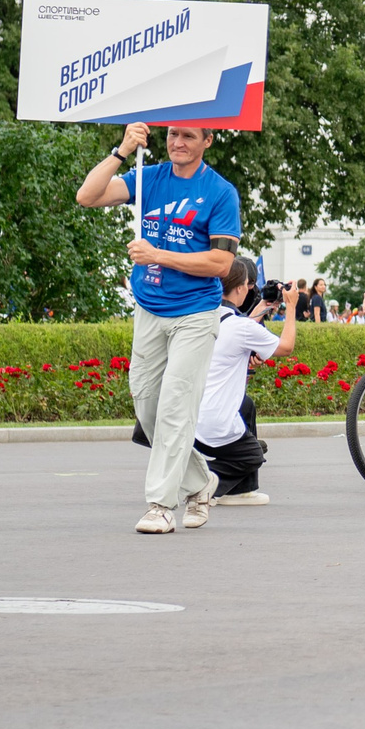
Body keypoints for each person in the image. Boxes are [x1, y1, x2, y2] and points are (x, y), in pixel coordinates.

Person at [76, 122, 244, 535]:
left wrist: (158, 255)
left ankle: (160, 505)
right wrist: (123, 148)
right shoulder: (148, 177)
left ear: (207, 141)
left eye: (189, 136)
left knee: (175, 406)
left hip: (195, 313)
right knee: (147, 405)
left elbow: (221, 266)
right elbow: (87, 196)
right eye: (172, 134)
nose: (178, 142)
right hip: (150, 309)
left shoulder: (221, 193)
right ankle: (200, 481)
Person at [196, 254, 293, 505]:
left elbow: (236, 329)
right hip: (213, 426)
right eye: (250, 284)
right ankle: (208, 486)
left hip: (187, 419)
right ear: (240, 287)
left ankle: (240, 489)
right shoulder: (242, 328)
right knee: (254, 454)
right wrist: (291, 307)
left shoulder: (202, 315)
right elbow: (286, 347)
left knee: (246, 405)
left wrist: (262, 308)